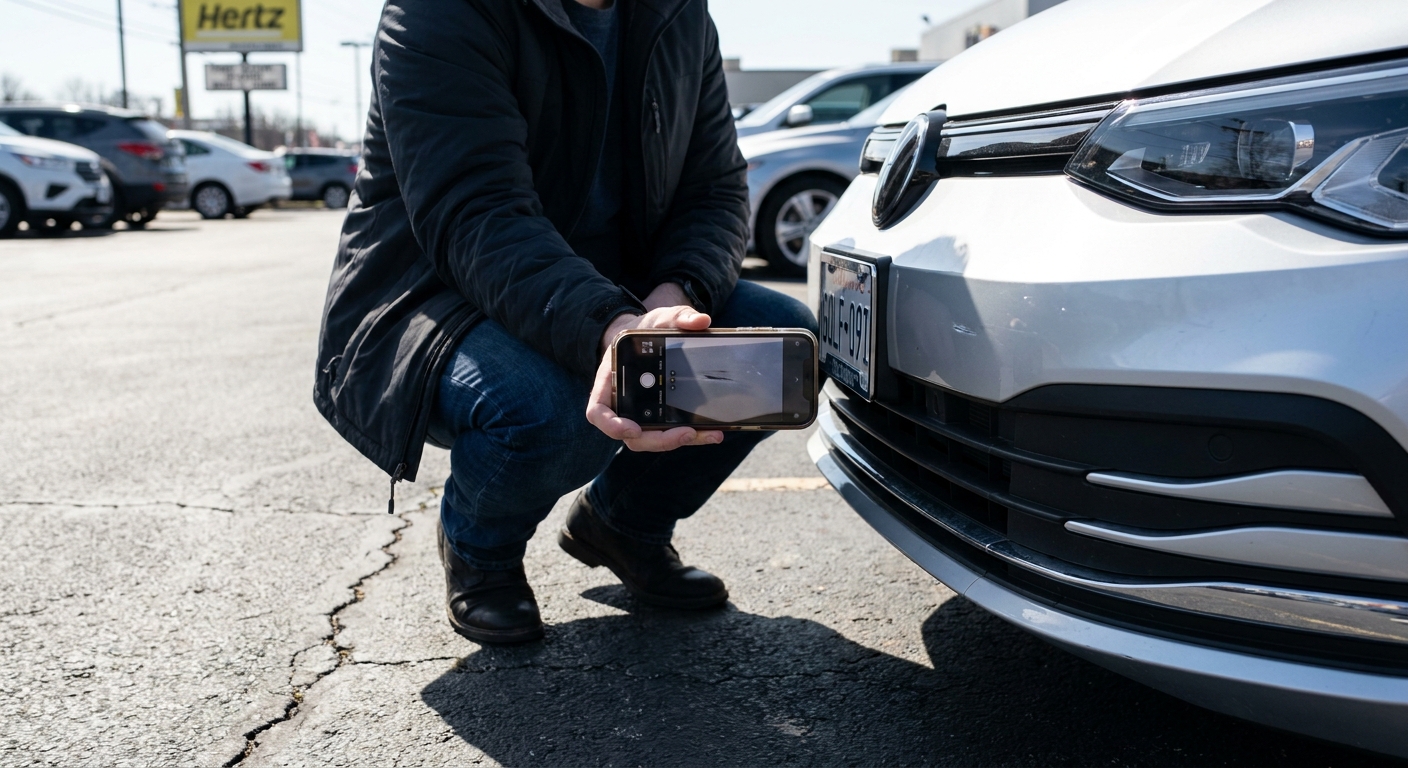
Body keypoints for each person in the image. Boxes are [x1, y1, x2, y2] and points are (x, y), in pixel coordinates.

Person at [313, 0, 816, 645]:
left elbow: (715, 188)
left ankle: (623, 525)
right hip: (439, 297)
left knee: (775, 352)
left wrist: (672, 303)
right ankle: (480, 550)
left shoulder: (679, 13)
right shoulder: (438, 11)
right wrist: (617, 330)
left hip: (617, 290)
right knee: (557, 408)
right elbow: (477, 215)